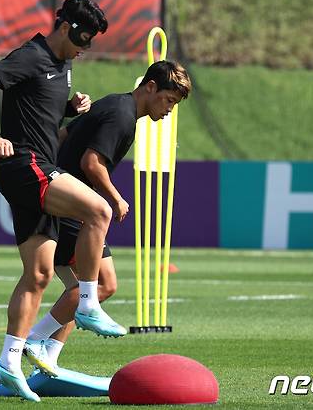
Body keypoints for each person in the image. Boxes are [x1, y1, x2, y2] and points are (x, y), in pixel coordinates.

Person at [0, 0, 125, 402]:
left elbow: (38, 112)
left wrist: (71, 110)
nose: (84, 48)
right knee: (99, 208)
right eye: (82, 39)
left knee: (38, 275)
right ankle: (88, 303)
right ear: (64, 27)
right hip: (25, 164)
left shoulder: (63, 64)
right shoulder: (32, 55)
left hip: (34, 167)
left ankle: (8, 363)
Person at [24, 60, 192, 372]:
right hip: (71, 210)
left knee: (90, 287)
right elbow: (91, 162)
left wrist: (47, 169)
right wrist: (115, 198)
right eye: (168, 100)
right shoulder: (123, 116)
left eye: (175, 104)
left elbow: (63, 135)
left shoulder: (115, 104)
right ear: (150, 87)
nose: (170, 109)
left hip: (67, 205)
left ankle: (47, 357)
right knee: (97, 285)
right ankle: (35, 340)